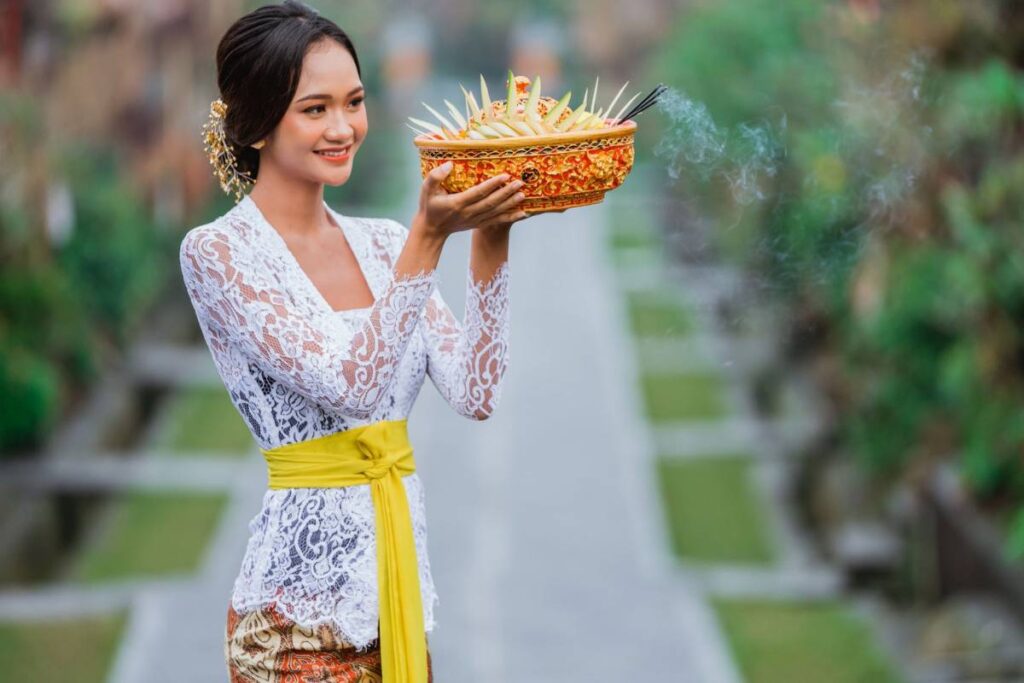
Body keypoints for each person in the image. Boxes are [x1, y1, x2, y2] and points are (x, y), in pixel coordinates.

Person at [179, 2, 559, 680]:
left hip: (395, 606)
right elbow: (352, 386)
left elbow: (477, 392)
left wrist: (490, 238)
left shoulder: (385, 244)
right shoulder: (218, 254)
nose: (344, 127)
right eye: (315, 108)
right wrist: (430, 237)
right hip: (291, 626)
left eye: (353, 102)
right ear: (257, 122)